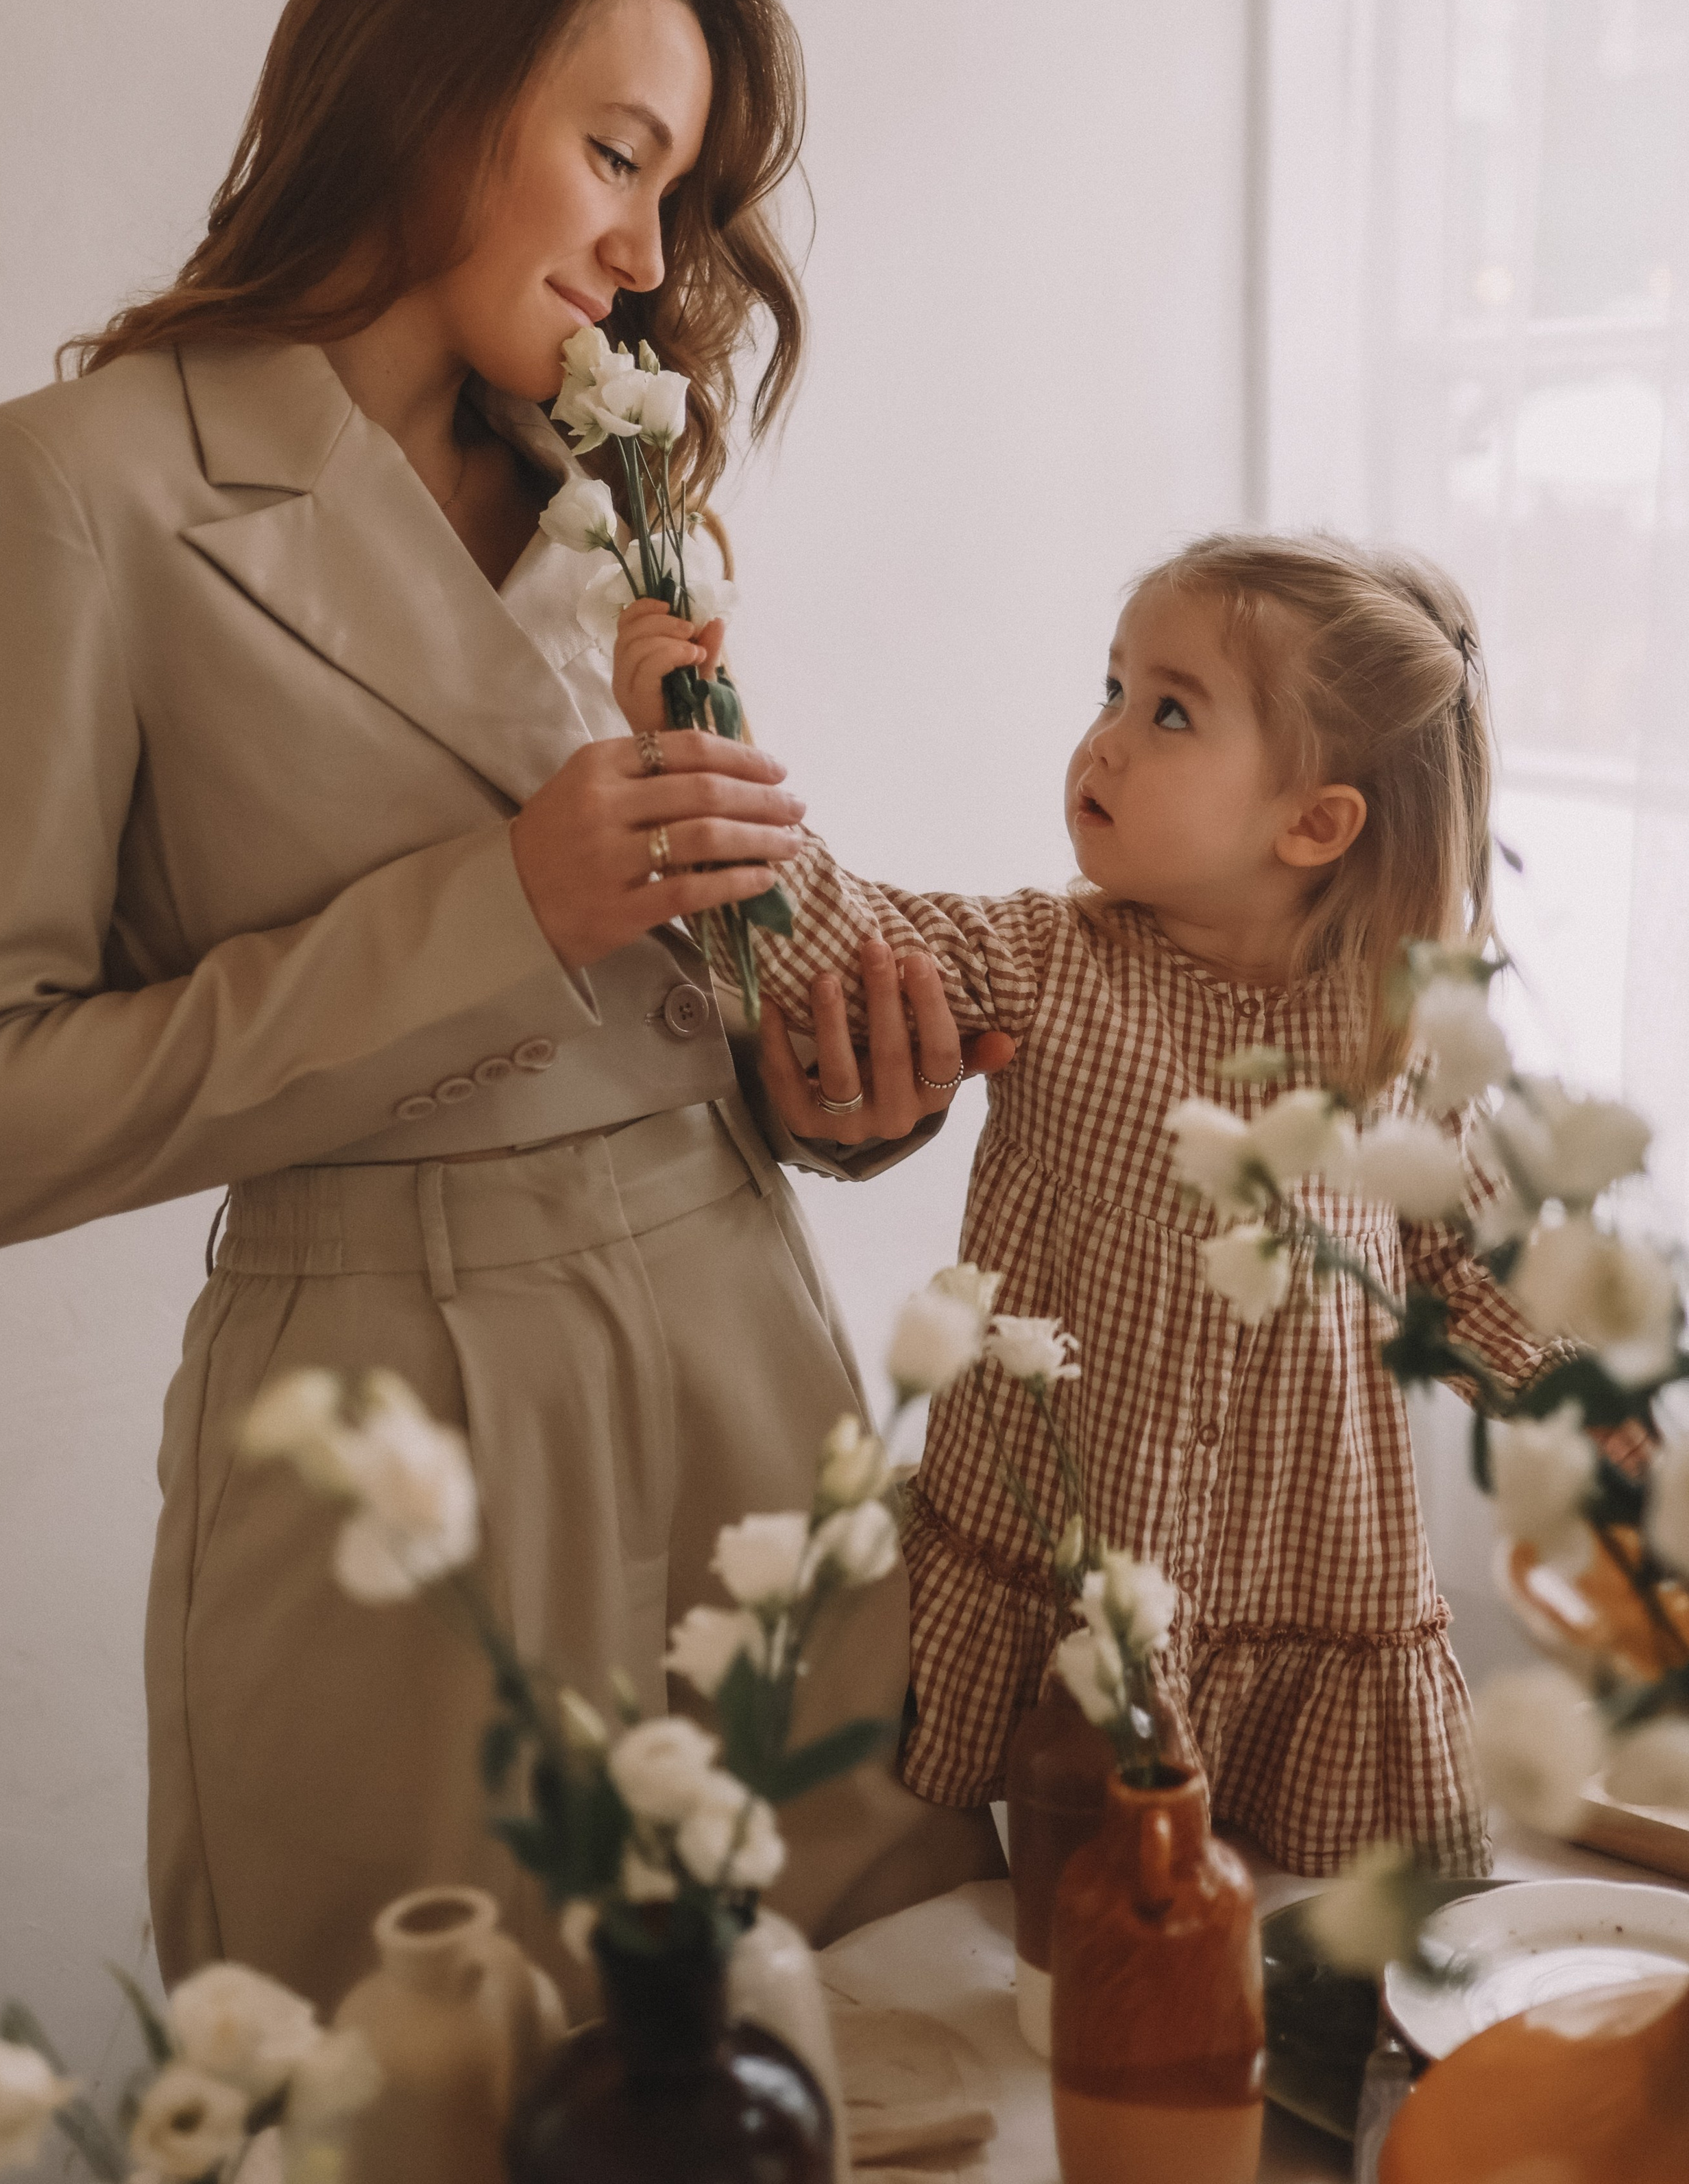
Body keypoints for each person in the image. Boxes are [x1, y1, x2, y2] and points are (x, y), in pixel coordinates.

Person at [0, 0, 1006, 2011]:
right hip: (379, 1424)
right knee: (421, 2089)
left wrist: (819, 1082)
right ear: (428, 95)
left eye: (680, 191)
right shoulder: (60, 488)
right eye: (618, 152)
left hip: (741, 1346)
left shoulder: (635, 492)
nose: (648, 244)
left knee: (879, 2044)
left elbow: (675, 958)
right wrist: (495, 909)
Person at [613, 531, 1564, 1877]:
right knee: (1068, 1952)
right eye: (1107, 690)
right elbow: (817, 940)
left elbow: (1469, 1271)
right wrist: (694, 747)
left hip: (1311, 1596)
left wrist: (1603, 1427)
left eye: (1166, 709)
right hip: (1076, 1576)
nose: (1104, 741)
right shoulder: (1046, 962)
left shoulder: (1395, 1036)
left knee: (1305, 1959)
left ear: (1313, 823)